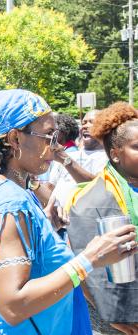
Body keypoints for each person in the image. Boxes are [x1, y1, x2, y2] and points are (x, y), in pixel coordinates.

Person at [0, 89, 137, 335]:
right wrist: (91, 258)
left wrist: (39, 237)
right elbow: (13, 305)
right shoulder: (10, 202)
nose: (56, 146)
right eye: (49, 136)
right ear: (14, 139)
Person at [67, 102, 138, 335]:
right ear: (116, 154)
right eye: (137, 147)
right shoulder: (92, 200)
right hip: (122, 317)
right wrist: (111, 313)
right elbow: (85, 265)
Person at [43, 110, 107, 207]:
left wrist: (65, 159)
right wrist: (33, 183)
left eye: (92, 122)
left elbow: (98, 187)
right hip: (59, 220)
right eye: (83, 123)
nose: (85, 126)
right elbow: (50, 189)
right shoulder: (69, 155)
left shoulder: (110, 158)